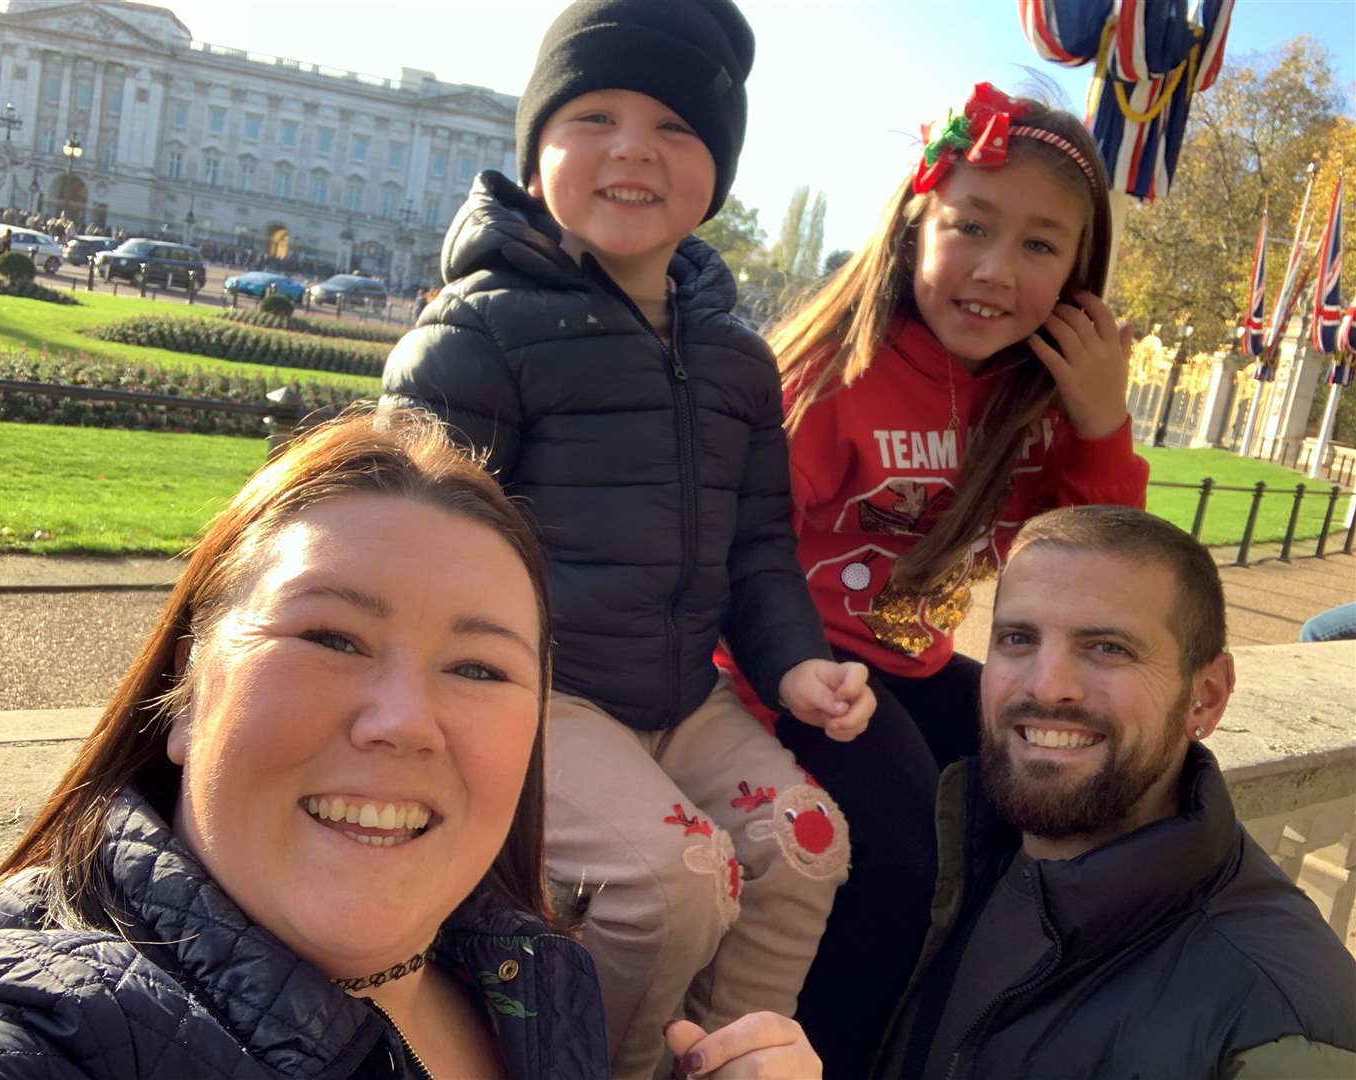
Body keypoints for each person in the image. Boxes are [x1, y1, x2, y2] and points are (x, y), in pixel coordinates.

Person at [383, 2, 875, 1075]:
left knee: (806, 842)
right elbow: (403, 547)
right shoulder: (482, 330)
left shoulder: (739, 360)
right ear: (537, 145)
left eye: (676, 127)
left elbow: (757, 545)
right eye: (593, 114)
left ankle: (731, 1058)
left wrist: (795, 664)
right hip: (540, 696)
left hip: (678, 698)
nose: (631, 150)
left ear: (720, 165)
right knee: (670, 884)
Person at [0, 411, 612, 1079]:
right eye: (331, 639)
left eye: (478, 668)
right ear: (188, 689)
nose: (403, 721)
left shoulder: (537, 978)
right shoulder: (37, 1033)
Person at [715, 83, 1151, 1074]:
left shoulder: (1025, 396)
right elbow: (746, 553)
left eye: (1041, 245)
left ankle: (970, 1028)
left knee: (1065, 774)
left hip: (901, 664)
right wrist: (792, 672)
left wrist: (1098, 424)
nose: (997, 271)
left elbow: (1090, 576)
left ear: (1080, 276)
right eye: (971, 227)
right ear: (915, 227)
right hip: (787, 668)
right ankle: (825, 1058)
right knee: (906, 854)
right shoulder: (840, 374)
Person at [875, 504, 1356, 1079]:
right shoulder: (961, 850)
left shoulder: (1278, 1031)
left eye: (1108, 647)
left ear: (1205, 696)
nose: (1047, 686)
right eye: (1018, 638)